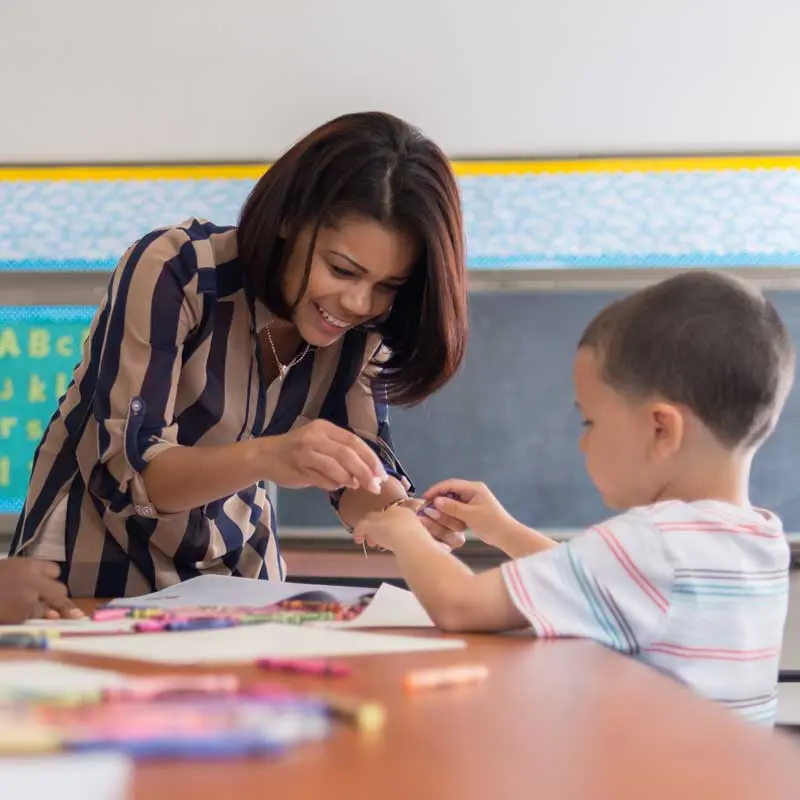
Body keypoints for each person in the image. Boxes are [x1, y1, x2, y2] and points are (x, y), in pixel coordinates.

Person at [10, 111, 469, 599]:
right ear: (291, 219)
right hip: (90, 566)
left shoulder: (365, 329)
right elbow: (133, 473)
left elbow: (359, 475)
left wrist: (404, 515)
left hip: (234, 579)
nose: (358, 304)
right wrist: (267, 456)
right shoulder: (178, 269)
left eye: (387, 286)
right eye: (341, 269)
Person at [354, 270, 795, 726]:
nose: (583, 443)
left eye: (590, 422)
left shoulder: (652, 543)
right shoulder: (759, 538)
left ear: (661, 430)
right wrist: (502, 530)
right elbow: (604, 582)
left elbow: (462, 605)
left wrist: (404, 532)